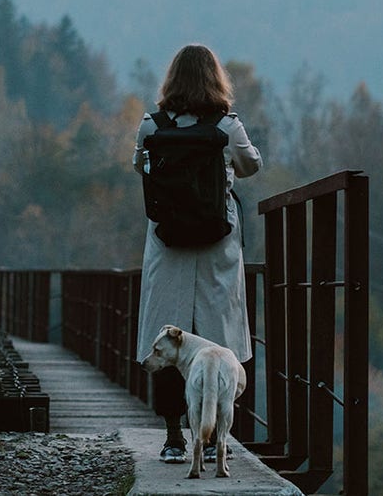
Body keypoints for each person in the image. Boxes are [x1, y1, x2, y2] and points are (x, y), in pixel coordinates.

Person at [133, 43, 262, 463]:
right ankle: (215, 439)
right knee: (218, 342)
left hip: (167, 245)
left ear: (171, 80)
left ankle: (174, 438)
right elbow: (250, 166)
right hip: (215, 244)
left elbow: (140, 167)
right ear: (215, 79)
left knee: (169, 343)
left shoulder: (151, 126)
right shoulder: (226, 125)